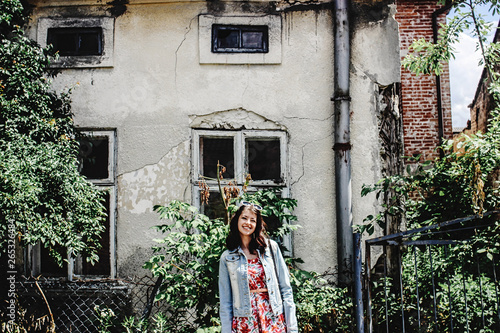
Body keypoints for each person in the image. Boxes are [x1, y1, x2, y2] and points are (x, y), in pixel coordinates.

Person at [219, 201, 298, 333]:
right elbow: (225, 302)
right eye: (244, 218)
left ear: (257, 225)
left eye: (252, 220)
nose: (248, 223)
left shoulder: (270, 248)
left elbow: (286, 289)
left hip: (272, 318)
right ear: (236, 220)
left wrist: (292, 328)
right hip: (245, 322)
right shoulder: (227, 257)